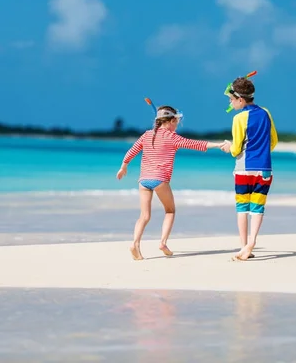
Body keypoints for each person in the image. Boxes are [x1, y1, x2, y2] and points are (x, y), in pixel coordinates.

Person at [117, 105, 224, 260]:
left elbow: (132, 150)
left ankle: (135, 243)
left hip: (144, 180)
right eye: (176, 122)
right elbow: (196, 144)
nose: (176, 126)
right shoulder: (171, 137)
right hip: (160, 179)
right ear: (171, 120)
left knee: (144, 216)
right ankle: (163, 242)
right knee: (170, 211)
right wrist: (219, 144)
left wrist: (123, 167)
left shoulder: (147, 135)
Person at [221, 76, 278, 261]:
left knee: (242, 208)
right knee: (257, 208)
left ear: (240, 99)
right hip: (264, 168)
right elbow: (273, 141)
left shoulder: (239, 118)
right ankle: (251, 242)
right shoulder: (266, 113)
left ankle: (245, 246)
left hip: (243, 169)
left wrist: (229, 147)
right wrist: (260, 152)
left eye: (231, 99)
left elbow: (236, 148)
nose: (230, 102)